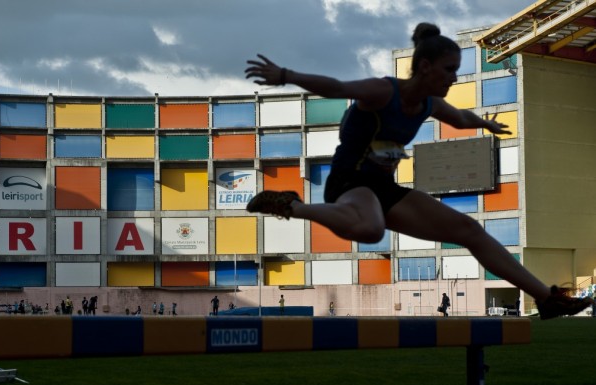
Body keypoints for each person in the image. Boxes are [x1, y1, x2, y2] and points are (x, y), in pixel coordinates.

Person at [244, 22, 592, 321]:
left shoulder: (429, 103)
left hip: (384, 186)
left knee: (469, 230)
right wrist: (285, 76)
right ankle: (292, 205)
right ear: (425, 67)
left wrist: (485, 123)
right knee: (370, 228)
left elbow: (460, 118)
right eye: (449, 69)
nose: (454, 77)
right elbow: (337, 87)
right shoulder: (383, 91)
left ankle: (546, 298)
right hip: (351, 181)